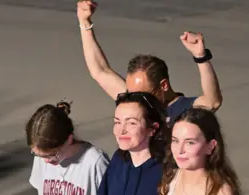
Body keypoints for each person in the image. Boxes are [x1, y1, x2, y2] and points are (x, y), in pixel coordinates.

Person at [76, 0, 223, 126]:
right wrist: (84, 22)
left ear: (164, 85)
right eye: (133, 95)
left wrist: (200, 57)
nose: (137, 101)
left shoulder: (184, 110)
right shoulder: (135, 100)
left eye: (144, 95)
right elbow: (100, 71)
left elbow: (212, 102)